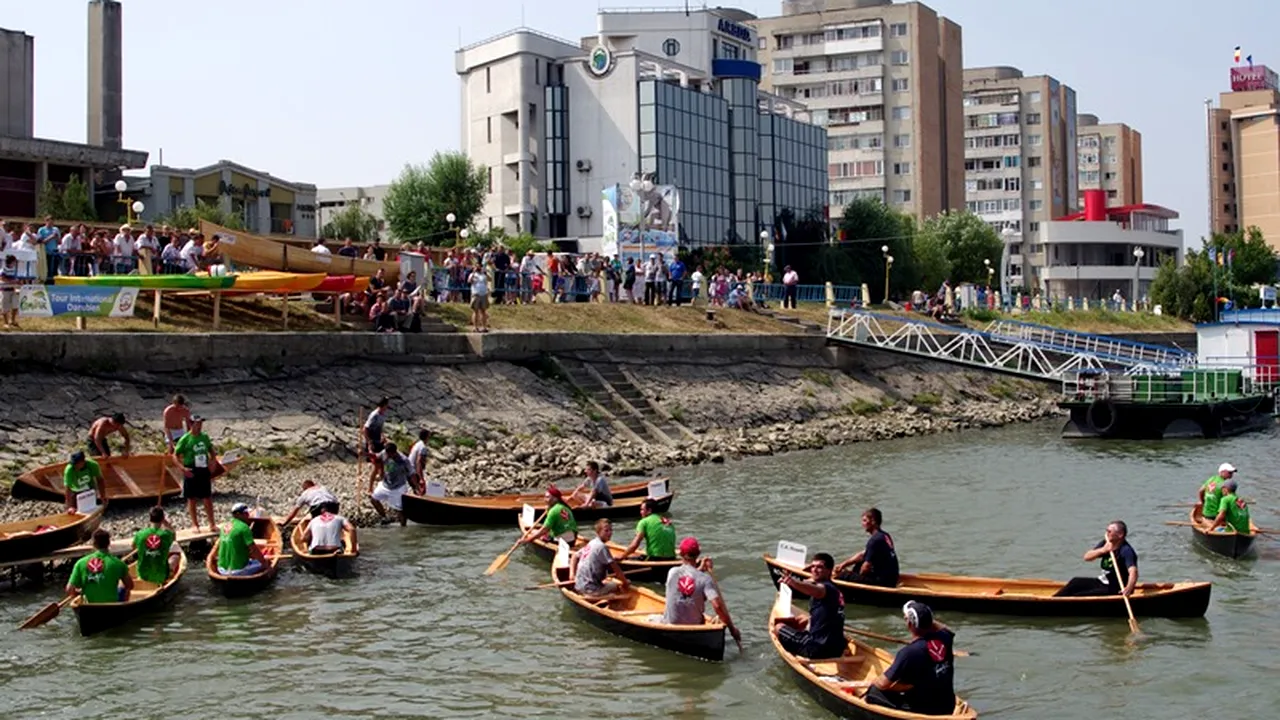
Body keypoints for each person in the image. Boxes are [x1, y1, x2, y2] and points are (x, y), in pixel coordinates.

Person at [857, 601, 957, 715]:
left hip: (923, 710)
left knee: (873, 691)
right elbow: (946, 629)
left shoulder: (908, 653)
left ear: (909, 624)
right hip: (948, 706)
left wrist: (873, 681)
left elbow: (882, 684)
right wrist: (926, 620)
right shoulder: (945, 638)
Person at [660, 537, 742, 642]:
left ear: (681, 554)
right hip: (695, 627)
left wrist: (700, 569)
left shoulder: (672, 572)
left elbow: (689, 577)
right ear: (698, 554)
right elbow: (717, 606)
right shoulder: (705, 579)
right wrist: (732, 629)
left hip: (671, 624)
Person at [771, 552, 846, 660]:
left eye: (820, 567)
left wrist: (793, 582)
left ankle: (794, 655)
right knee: (803, 620)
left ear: (829, 570)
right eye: (813, 566)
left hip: (817, 649)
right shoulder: (835, 589)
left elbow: (817, 590)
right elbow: (810, 583)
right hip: (838, 647)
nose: (814, 570)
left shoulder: (825, 589)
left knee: (778, 627)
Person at [1054, 521, 1138, 597]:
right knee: (1075, 582)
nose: (1107, 533)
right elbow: (1087, 557)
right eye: (1106, 531)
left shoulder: (1126, 551)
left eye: (1109, 532)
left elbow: (1133, 572)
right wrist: (1102, 550)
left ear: (1120, 534)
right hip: (1103, 582)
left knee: (1079, 595)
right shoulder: (1106, 543)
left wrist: (1129, 588)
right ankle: (1053, 600)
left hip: (1116, 587)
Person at [835, 507, 900, 588]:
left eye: (865, 521)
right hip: (892, 578)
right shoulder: (885, 535)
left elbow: (865, 567)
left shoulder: (874, 540)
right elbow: (862, 555)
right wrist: (843, 565)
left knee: (842, 576)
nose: (863, 524)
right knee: (859, 563)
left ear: (873, 521)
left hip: (884, 581)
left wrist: (856, 576)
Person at [174, 415, 218, 533]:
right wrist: (182, 469)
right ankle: (195, 524)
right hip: (191, 468)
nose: (199, 427)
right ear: (191, 424)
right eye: (197, 424)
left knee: (207, 497)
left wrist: (213, 461)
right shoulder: (185, 439)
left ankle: (212, 523)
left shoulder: (204, 437)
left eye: (200, 424)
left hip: (203, 468)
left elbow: (211, 450)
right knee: (191, 498)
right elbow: (175, 455)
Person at [67, 530, 133, 603]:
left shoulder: (80, 563)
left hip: (89, 607)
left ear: (94, 544)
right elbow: (130, 585)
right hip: (112, 606)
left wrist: (77, 594)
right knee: (122, 587)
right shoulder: (118, 563)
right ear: (108, 543)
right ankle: (122, 606)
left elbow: (69, 589)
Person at [569, 519, 630, 597]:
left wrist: (572, 574)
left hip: (578, 585)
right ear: (598, 532)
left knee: (608, 583)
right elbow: (616, 569)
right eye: (606, 531)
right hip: (590, 589)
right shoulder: (602, 546)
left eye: (611, 530)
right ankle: (599, 595)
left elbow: (574, 556)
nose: (610, 533)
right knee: (616, 586)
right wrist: (625, 582)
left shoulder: (592, 542)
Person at [369, 441, 413, 526]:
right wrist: (365, 453)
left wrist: (417, 486)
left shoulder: (403, 460)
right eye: (387, 454)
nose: (388, 456)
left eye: (390, 454)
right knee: (373, 499)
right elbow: (376, 456)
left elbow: (411, 473)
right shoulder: (384, 453)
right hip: (386, 484)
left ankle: (403, 527)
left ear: (395, 452)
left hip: (399, 487)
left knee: (399, 509)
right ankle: (385, 517)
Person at [217, 503, 268, 576]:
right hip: (237, 571)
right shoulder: (244, 528)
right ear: (238, 514)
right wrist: (264, 562)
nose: (248, 515)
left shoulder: (224, 526)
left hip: (221, 569)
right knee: (266, 562)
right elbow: (254, 550)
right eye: (245, 513)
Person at [132, 507, 180, 584]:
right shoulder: (166, 535)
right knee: (176, 557)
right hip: (161, 576)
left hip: (142, 575)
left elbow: (133, 547)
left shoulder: (139, 534)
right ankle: (169, 574)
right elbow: (174, 536)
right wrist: (166, 523)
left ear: (150, 518)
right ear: (163, 518)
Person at [468, 262, 490, 333]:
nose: (478, 268)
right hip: (476, 294)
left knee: (483, 311)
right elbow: (469, 281)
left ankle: (484, 327)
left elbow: (490, 279)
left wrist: (486, 273)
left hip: (483, 294)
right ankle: (475, 327)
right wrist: (473, 273)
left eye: (479, 267)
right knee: (475, 311)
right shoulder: (472, 275)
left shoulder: (483, 275)